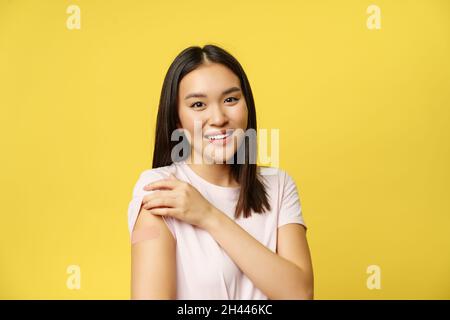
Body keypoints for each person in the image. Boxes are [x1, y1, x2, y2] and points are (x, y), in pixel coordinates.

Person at [128, 44, 314, 299]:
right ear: (177, 121)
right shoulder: (159, 189)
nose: (218, 118)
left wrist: (208, 215)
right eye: (198, 105)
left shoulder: (278, 185)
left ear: (247, 106)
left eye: (230, 99)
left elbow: (299, 293)